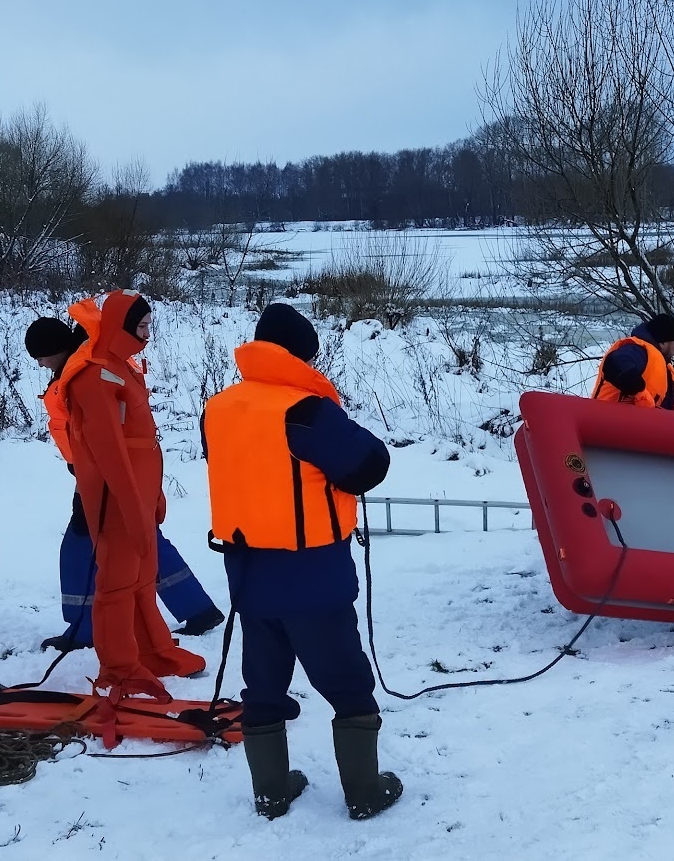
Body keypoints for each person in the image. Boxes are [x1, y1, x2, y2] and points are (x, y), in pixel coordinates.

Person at [202, 302, 403, 821]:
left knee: (263, 684)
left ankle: (270, 791)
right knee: (347, 682)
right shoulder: (306, 411)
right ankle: (363, 790)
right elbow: (369, 463)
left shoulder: (219, 407)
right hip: (312, 575)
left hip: (248, 572)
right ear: (302, 356)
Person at [24, 315, 224, 652]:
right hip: (113, 470)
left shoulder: (83, 373)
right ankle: (198, 609)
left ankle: (84, 629)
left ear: (56, 350)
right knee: (142, 539)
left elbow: (105, 428)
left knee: (80, 548)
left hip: (104, 474)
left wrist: (96, 474)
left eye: (40, 356)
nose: (39, 364)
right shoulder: (83, 366)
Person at [61, 290, 208, 700]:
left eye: (148, 326)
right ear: (120, 327)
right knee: (118, 583)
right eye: (141, 327)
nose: (147, 335)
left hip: (139, 493)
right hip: (116, 499)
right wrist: (131, 506)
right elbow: (109, 451)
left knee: (143, 577)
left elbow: (140, 440)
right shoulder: (94, 375)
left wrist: (153, 497)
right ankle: (120, 667)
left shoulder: (120, 368)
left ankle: (154, 651)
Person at [593, 314, 674, 409]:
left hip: (645, 422)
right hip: (609, 420)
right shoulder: (638, 351)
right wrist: (640, 393)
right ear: (663, 343)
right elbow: (614, 364)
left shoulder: (664, 366)